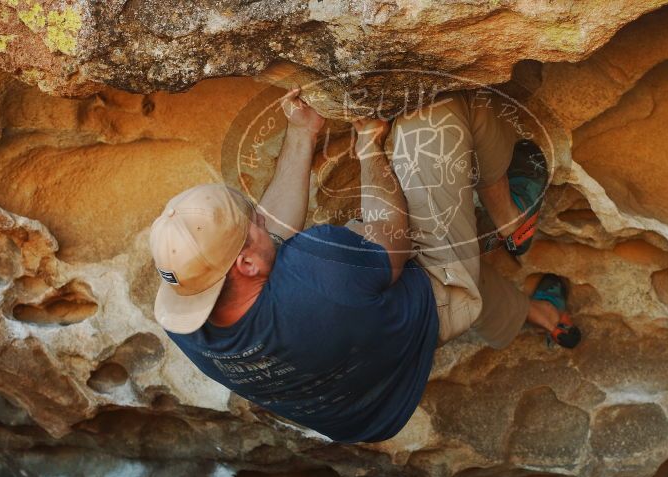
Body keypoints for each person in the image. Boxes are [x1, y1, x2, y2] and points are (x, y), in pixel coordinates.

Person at [149, 87, 581, 443]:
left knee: (375, 289)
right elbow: (390, 231)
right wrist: (370, 147)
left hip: (362, 400)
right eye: (255, 220)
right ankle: (510, 213)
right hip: (414, 326)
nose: (263, 216)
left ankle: (540, 314)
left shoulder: (183, 310)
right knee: (434, 111)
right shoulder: (320, 276)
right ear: (245, 264)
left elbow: (275, 236)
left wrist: (303, 132)